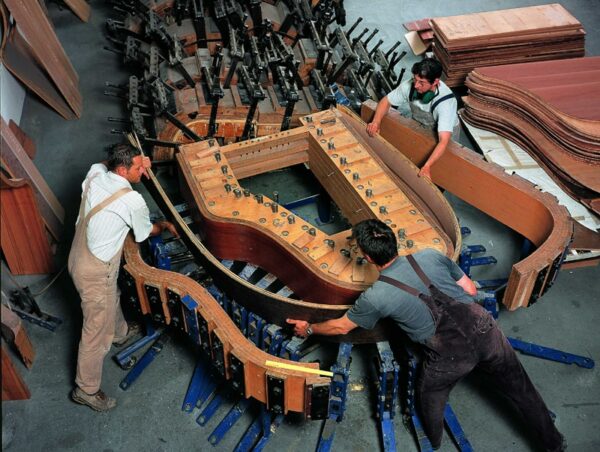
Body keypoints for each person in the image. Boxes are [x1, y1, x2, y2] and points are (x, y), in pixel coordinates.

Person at [287, 219, 565, 452]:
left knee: (430, 395)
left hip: (449, 356)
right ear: (394, 241)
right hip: (487, 332)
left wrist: (309, 328)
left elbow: (340, 327)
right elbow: (469, 291)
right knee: (522, 390)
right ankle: (554, 443)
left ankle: (433, 441)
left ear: (368, 258)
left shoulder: (375, 297)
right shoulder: (430, 255)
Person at [68, 143, 178, 412]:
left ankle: (121, 333)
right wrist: (163, 225)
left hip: (79, 254)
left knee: (111, 295)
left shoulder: (96, 172)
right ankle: (86, 389)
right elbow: (145, 232)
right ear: (121, 169)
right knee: (95, 332)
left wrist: (141, 162)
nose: (144, 171)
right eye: (139, 168)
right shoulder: (131, 200)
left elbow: (105, 162)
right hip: (95, 269)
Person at [366, 57, 459, 180]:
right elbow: (386, 101)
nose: (416, 85)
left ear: (435, 82)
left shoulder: (445, 104)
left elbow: (443, 141)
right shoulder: (410, 86)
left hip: (445, 132)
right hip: (421, 123)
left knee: (441, 168)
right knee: (416, 153)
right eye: (415, 79)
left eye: (421, 82)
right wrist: (376, 122)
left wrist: (427, 166)